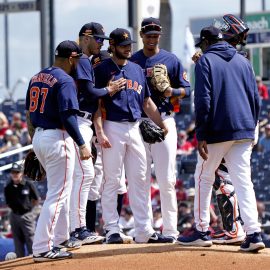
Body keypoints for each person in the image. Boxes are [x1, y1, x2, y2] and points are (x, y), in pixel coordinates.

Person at [177, 26, 264, 252]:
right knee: (244, 181)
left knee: (203, 177)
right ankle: (254, 233)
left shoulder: (205, 61)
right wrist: (251, 126)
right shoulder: (243, 61)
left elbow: (203, 100)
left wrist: (202, 133)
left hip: (218, 129)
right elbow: (255, 98)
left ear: (206, 42)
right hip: (244, 128)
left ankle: (201, 230)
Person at [94, 28, 173, 244]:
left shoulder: (137, 70)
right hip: (112, 126)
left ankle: (144, 230)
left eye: (130, 46)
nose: (128, 49)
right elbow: (96, 104)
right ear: (112, 46)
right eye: (123, 46)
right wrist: (99, 131)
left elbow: (147, 102)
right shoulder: (101, 70)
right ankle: (111, 229)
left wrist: (162, 124)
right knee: (112, 180)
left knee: (140, 178)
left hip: (135, 126)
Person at [25, 40, 92, 262]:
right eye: (77, 59)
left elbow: (29, 113)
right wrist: (82, 143)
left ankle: (61, 238)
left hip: (40, 136)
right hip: (57, 137)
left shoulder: (37, 77)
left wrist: (36, 142)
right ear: (72, 58)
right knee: (59, 193)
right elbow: (68, 116)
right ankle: (43, 248)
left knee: (62, 189)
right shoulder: (65, 80)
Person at [130, 17, 191, 241]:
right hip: (138, 122)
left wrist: (170, 92)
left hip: (165, 120)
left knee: (166, 180)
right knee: (140, 179)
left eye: (156, 34)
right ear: (142, 35)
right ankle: (144, 231)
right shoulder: (133, 62)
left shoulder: (171, 59)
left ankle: (170, 231)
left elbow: (187, 89)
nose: (152, 38)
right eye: (148, 34)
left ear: (160, 35)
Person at [68, 22, 126, 246]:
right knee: (86, 179)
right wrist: (108, 89)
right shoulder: (82, 61)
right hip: (86, 123)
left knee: (109, 180)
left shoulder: (93, 62)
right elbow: (92, 93)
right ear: (86, 38)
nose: (100, 43)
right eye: (97, 39)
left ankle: (97, 229)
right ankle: (82, 229)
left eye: (103, 41)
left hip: (100, 124)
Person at [4, 163, 40, 258]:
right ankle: (19, 262)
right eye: (13, 172)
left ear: (21, 173)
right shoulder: (8, 187)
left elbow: (36, 200)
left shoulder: (29, 184)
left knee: (30, 238)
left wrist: (31, 214)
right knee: (17, 241)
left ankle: (35, 259)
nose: (15, 174)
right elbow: (8, 203)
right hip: (14, 215)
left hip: (27, 214)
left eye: (17, 172)